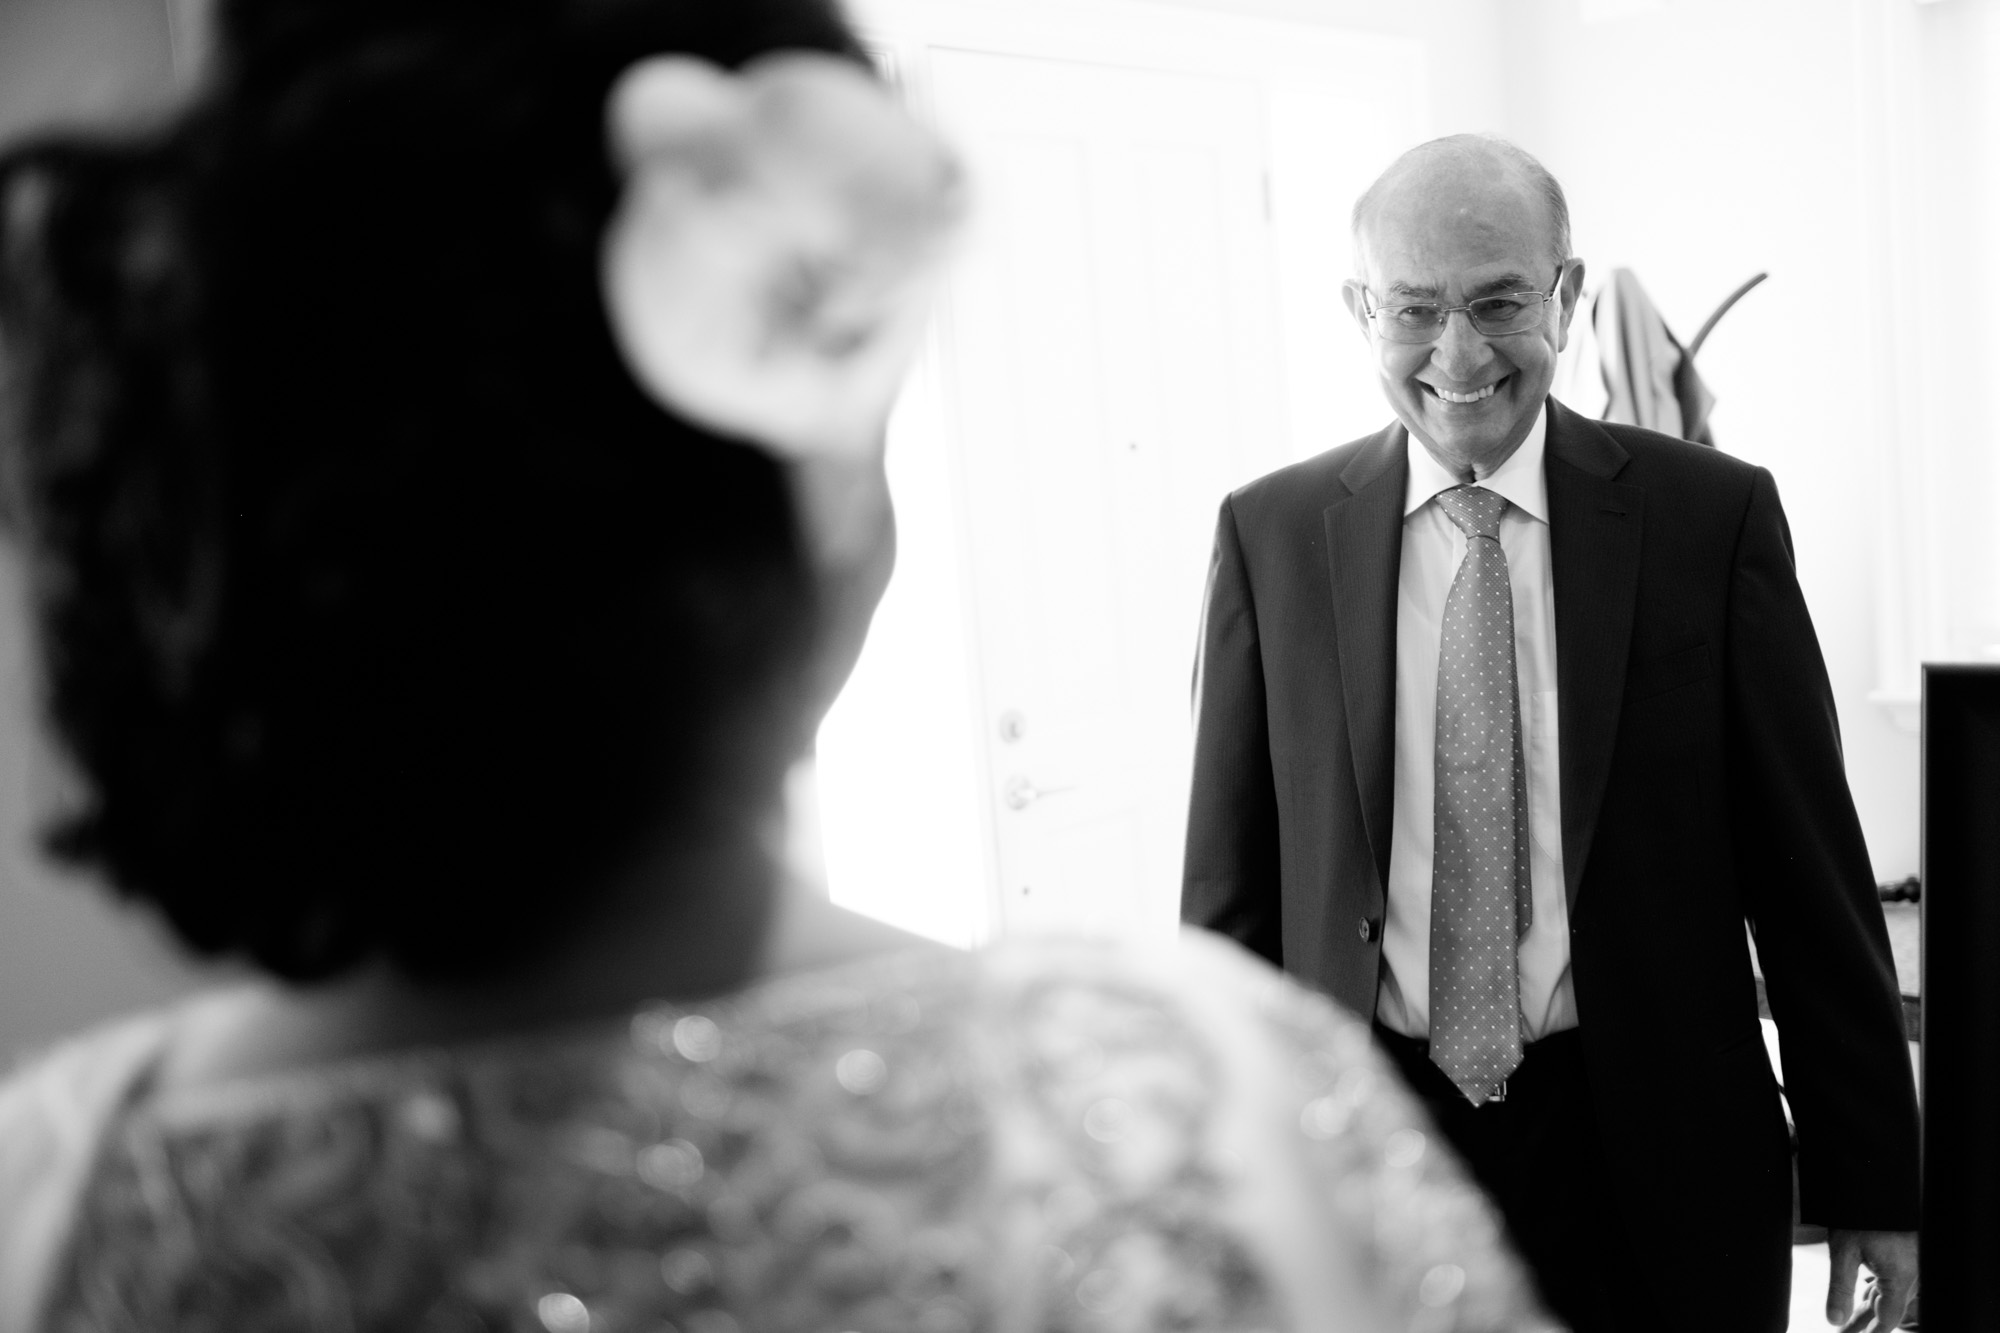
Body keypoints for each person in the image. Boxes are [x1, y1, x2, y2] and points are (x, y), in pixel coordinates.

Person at [0, 5, 1559, 1330]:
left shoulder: (50, 1211)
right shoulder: (1197, 1123)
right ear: (817, 503)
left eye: (1496, 302)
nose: (1458, 353)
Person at [1181, 134, 1921, 1333]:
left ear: (1566, 297)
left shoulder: (1708, 519)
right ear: (1357, 311)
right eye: (1413, 309)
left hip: (1662, 1152)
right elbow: (1228, 902)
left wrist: (1871, 1179)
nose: (1457, 354)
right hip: (1372, 1152)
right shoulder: (1267, 534)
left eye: (1497, 302)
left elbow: (1807, 881)